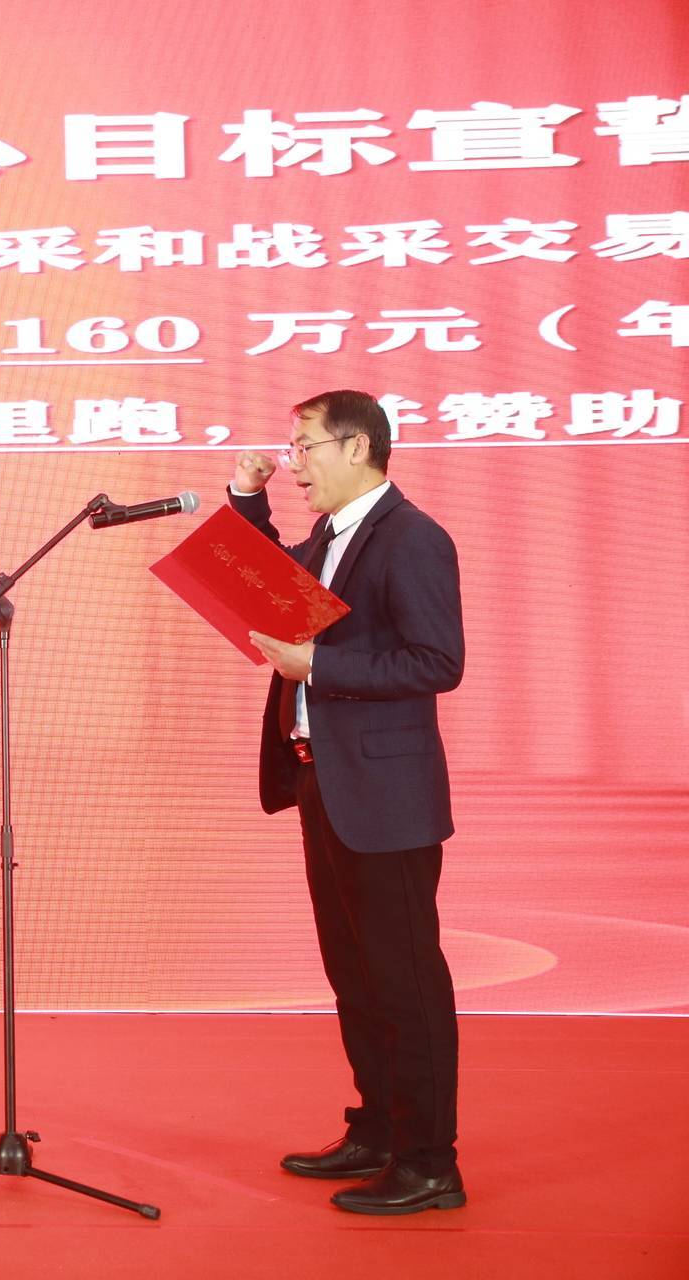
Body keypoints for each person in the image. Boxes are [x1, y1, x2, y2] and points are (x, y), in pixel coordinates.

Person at [228, 389, 466, 1215]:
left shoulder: (413, 537)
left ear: (357, 446)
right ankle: (377, 1131)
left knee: (405, 980)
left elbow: (437, 661)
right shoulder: (330, 536)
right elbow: (269, 591)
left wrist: (319, 668)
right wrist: (247, 501)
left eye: (304, 448)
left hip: (388, 796)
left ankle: (430, 1162)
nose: (294, 464)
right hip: (323, 780)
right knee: (354, 973)